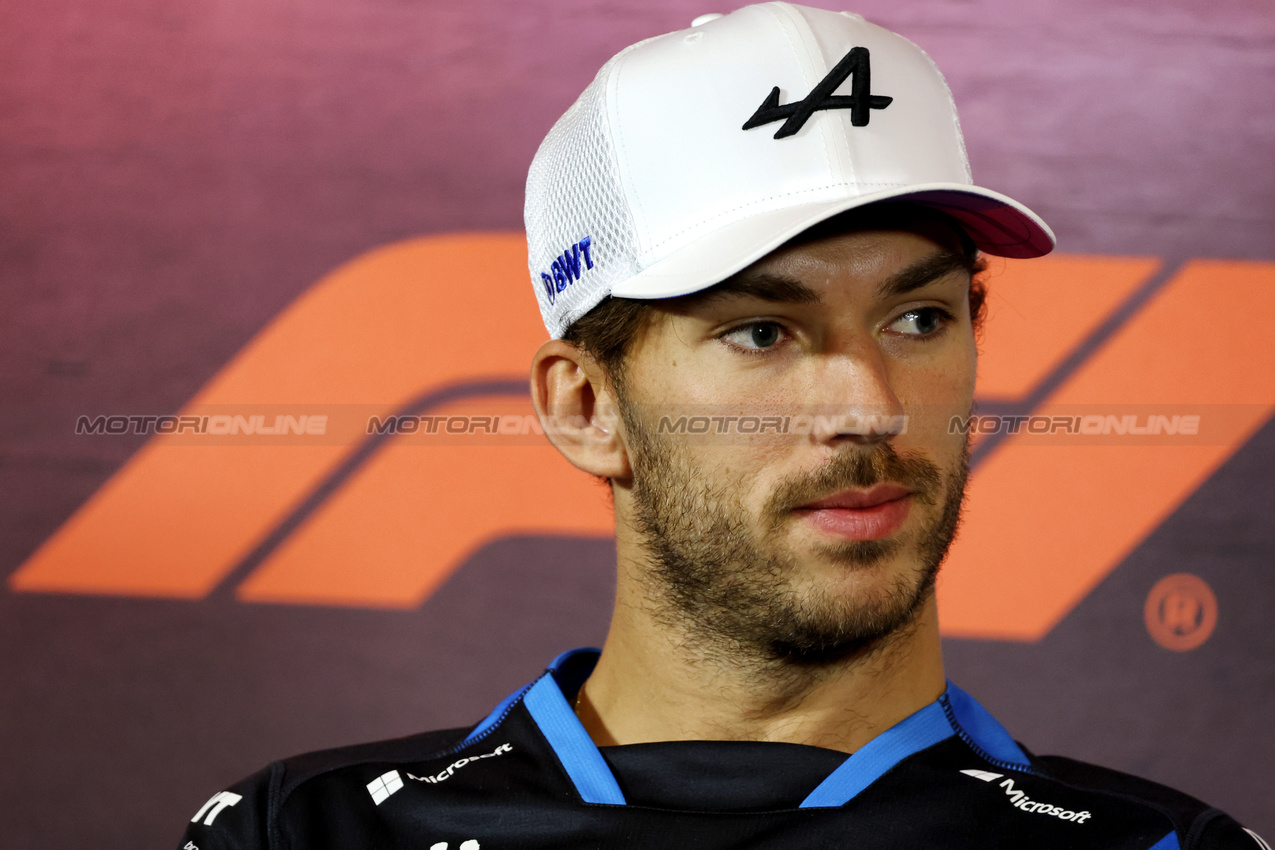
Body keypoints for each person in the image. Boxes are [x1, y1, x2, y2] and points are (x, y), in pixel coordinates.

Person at [176, 5, 1264, 848]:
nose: (870, 406)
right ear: (588, 407)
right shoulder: (311, 832)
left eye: (920, 317)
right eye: (760, 332)